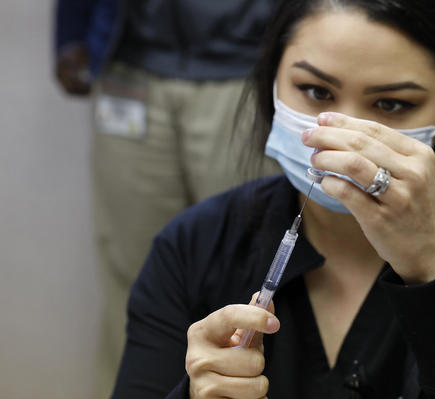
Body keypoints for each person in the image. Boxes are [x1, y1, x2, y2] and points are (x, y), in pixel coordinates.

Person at [111, 0, 435, 397]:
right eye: (316, 91)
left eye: (390, 104)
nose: (343, 137)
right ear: (271, 82)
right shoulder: (190, 247)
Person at [53, 0, 279, 396]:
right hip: (130, 64)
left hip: (244, 69)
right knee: (130, 277)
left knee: (249, 290)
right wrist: (71, 31)